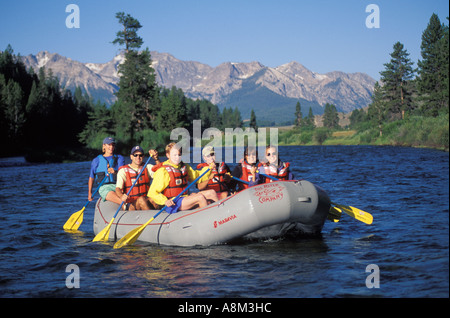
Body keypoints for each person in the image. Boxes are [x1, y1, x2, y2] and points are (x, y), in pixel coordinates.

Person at [148, 142, 219, 214]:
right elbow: (152, 193)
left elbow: (197, 177)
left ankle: (220, 215)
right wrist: (165, 201)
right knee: (200, 197)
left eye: (179, 155)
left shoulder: (184, 167)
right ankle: (208, 219)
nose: (177, 157)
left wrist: (209, 168)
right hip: (173, 202)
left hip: (184, 198)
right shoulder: (163, 171)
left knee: (212, 193)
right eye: (174, 155)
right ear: (168, 155)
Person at [115, 146, 160, 211]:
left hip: (145, 199)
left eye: (140, 155)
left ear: (143, 157)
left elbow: (160, 173)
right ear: (131, 157)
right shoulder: (123, 171)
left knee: (154, 199)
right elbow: (118, 189)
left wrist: (156, 159)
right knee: (141, 200)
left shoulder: (147, 167)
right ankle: (151, 218)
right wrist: (121, 196)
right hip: (131, 204)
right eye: (135, 155)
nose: (138, 157)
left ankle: (159, 217)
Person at [88, 137, 124, 205]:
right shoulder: (96, 160)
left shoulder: (119, 158)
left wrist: (115, 172)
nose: (111, 147)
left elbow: (124, 173)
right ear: (104, 146)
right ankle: (124, 205)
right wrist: (90, 193)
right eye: (109, 145)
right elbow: (91, 177)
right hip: (104, 187)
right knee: (117, 197)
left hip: (118, 186)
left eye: (113, 145)